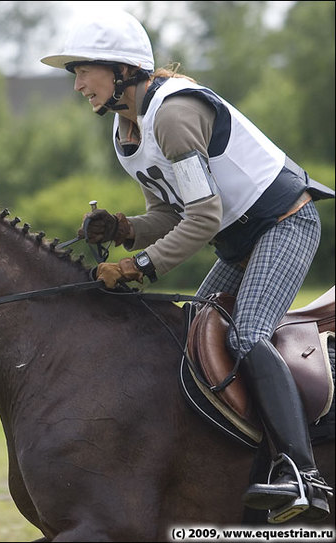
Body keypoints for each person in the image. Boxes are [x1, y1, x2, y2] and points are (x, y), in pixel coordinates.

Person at [40, 9, 334, 523]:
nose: (77, 84)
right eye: (74, 73)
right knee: (195, 333)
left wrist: (138, 266)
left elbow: (203, 218)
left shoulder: (172, 115)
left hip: (284, 225)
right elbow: (171, 212)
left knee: (246, 335)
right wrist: (125, 228)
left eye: (83, 69)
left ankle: (301, 474)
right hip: (240, 241)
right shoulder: (125, 131)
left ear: (121, 69)